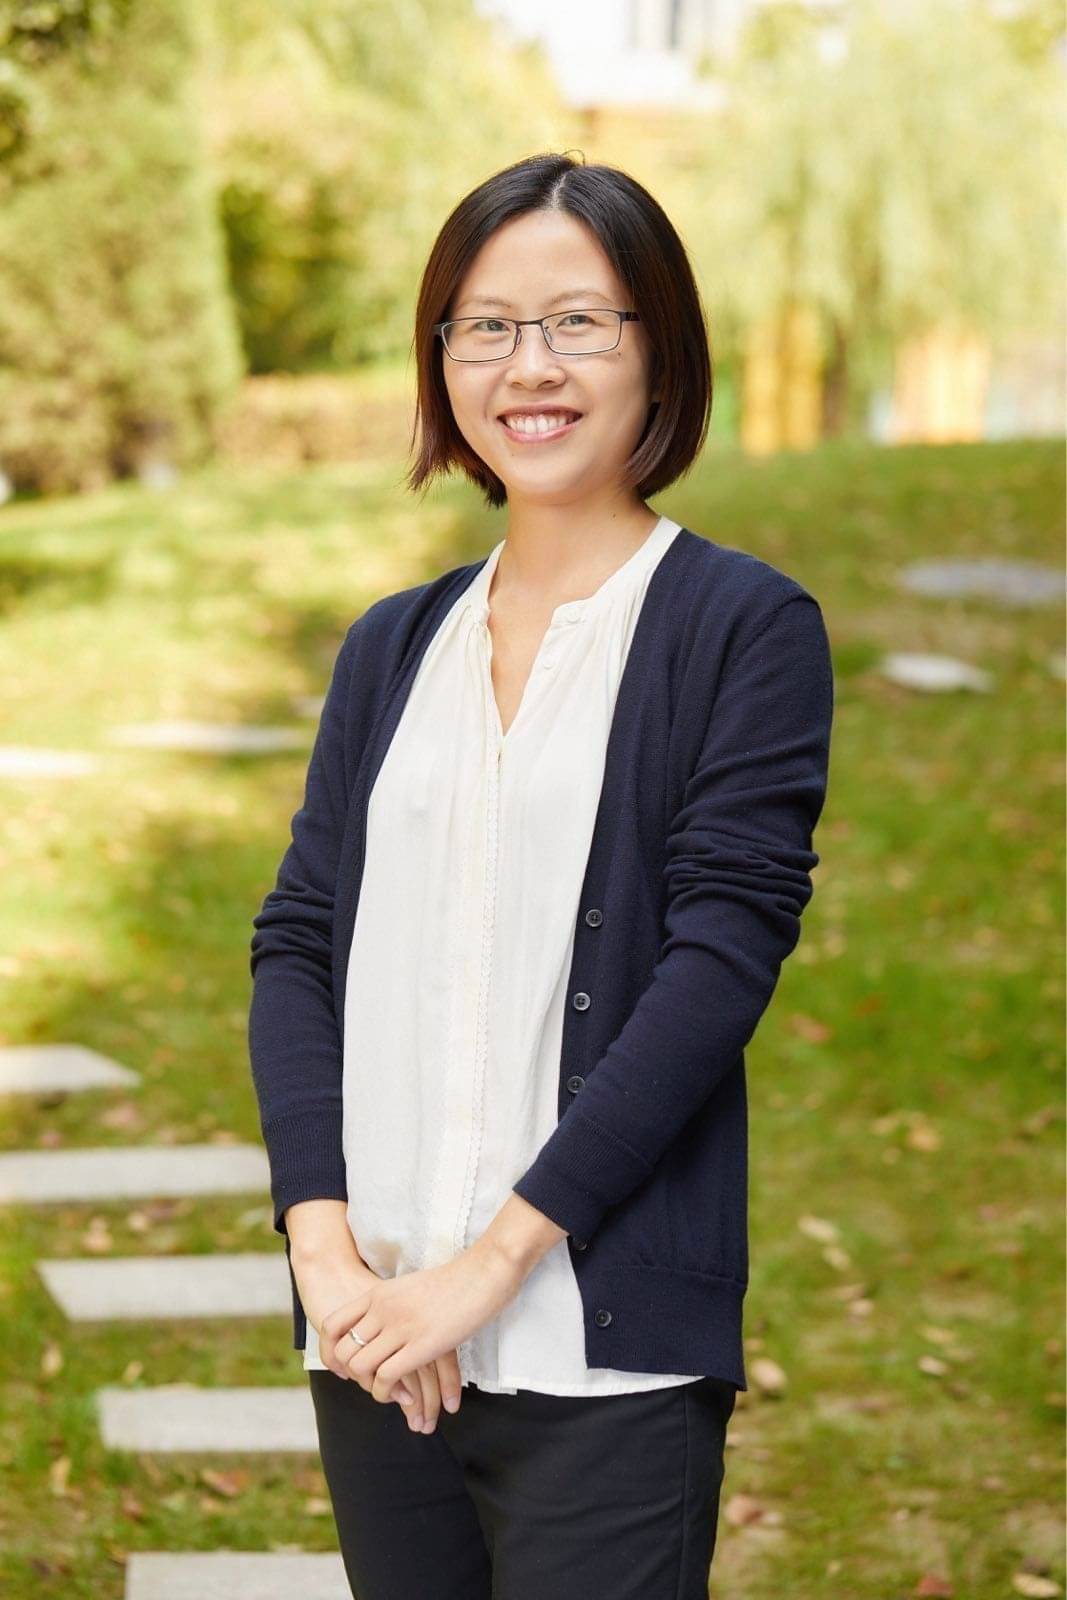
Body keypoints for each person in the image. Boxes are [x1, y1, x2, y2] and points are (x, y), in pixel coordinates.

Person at [247, 150, 834, 1599]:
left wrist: (492, 1266)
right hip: (377, 1335)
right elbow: (300, 943)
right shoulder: (393, 645)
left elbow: (718, 968)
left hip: (599, 1349)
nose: (531, 365)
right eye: (485, 324)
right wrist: (325, 1251)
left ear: (660, 349)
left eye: (580, 320)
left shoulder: (742, 629)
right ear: (441, 356)